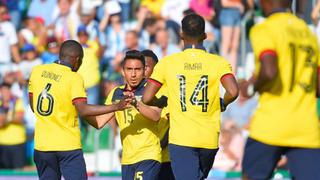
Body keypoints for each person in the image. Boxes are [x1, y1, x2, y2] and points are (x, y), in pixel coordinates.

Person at [142, 14, 239, 180]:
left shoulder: (168, 63)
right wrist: (223, 103)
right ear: (205, 36)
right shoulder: (218, 62)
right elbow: (233, 91)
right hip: (209, 139)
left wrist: (160, 101)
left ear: (181, 35)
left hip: (181, 139)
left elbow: (146, 98)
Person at [28, 40, 130, 180]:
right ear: (77, 60)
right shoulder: (74, 78)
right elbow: (83, 110)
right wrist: (116, 106)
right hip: (68, 145)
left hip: (42, 145)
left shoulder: (37, 71)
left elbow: (33, 106)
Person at [242, 0, 320, 179]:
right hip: (306, 126)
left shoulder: (265, 28)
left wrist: (251, 87)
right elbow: (318, 86)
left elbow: (269, 71)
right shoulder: (308, 32)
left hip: (271, 124)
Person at [104, 50, 161, 180]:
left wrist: (136, 103)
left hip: (148, 155)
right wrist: (82, 108)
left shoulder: (150, 89)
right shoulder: (115, 93)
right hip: (127, 159)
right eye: (129, 69)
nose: (133, 74)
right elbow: (99, 122)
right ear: (123, 71)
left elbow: (156, 116)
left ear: (144, 71)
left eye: (138, 69)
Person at [141, 49, 174, 180]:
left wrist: (160, 144)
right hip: (144, 157)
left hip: (166, 158)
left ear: (157, 68)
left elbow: (174, 123)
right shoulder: (136, 92)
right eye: (140, 67)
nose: (142, 71)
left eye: (146, 67)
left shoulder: (168, 90)